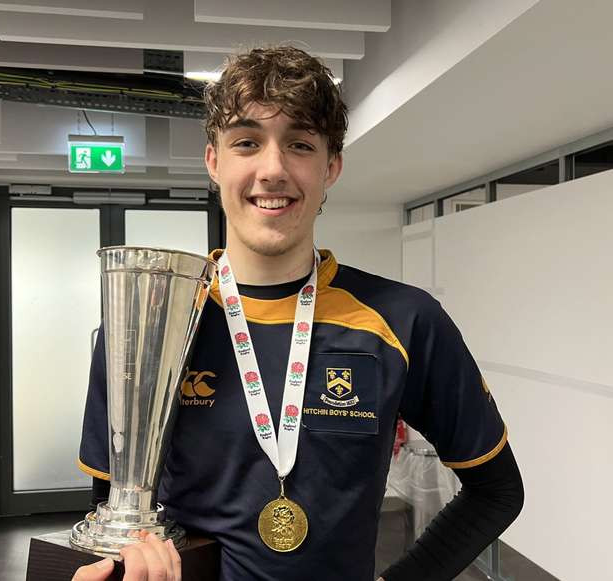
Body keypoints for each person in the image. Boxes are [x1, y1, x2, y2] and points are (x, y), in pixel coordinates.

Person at [74, 46, 524, 581]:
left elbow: (497, 491)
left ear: (331, 166)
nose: (273, 169)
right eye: (247, 142)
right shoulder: (146, 330)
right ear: (214, 161)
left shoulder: (403, 320)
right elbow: (110, 514)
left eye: (300, 144)